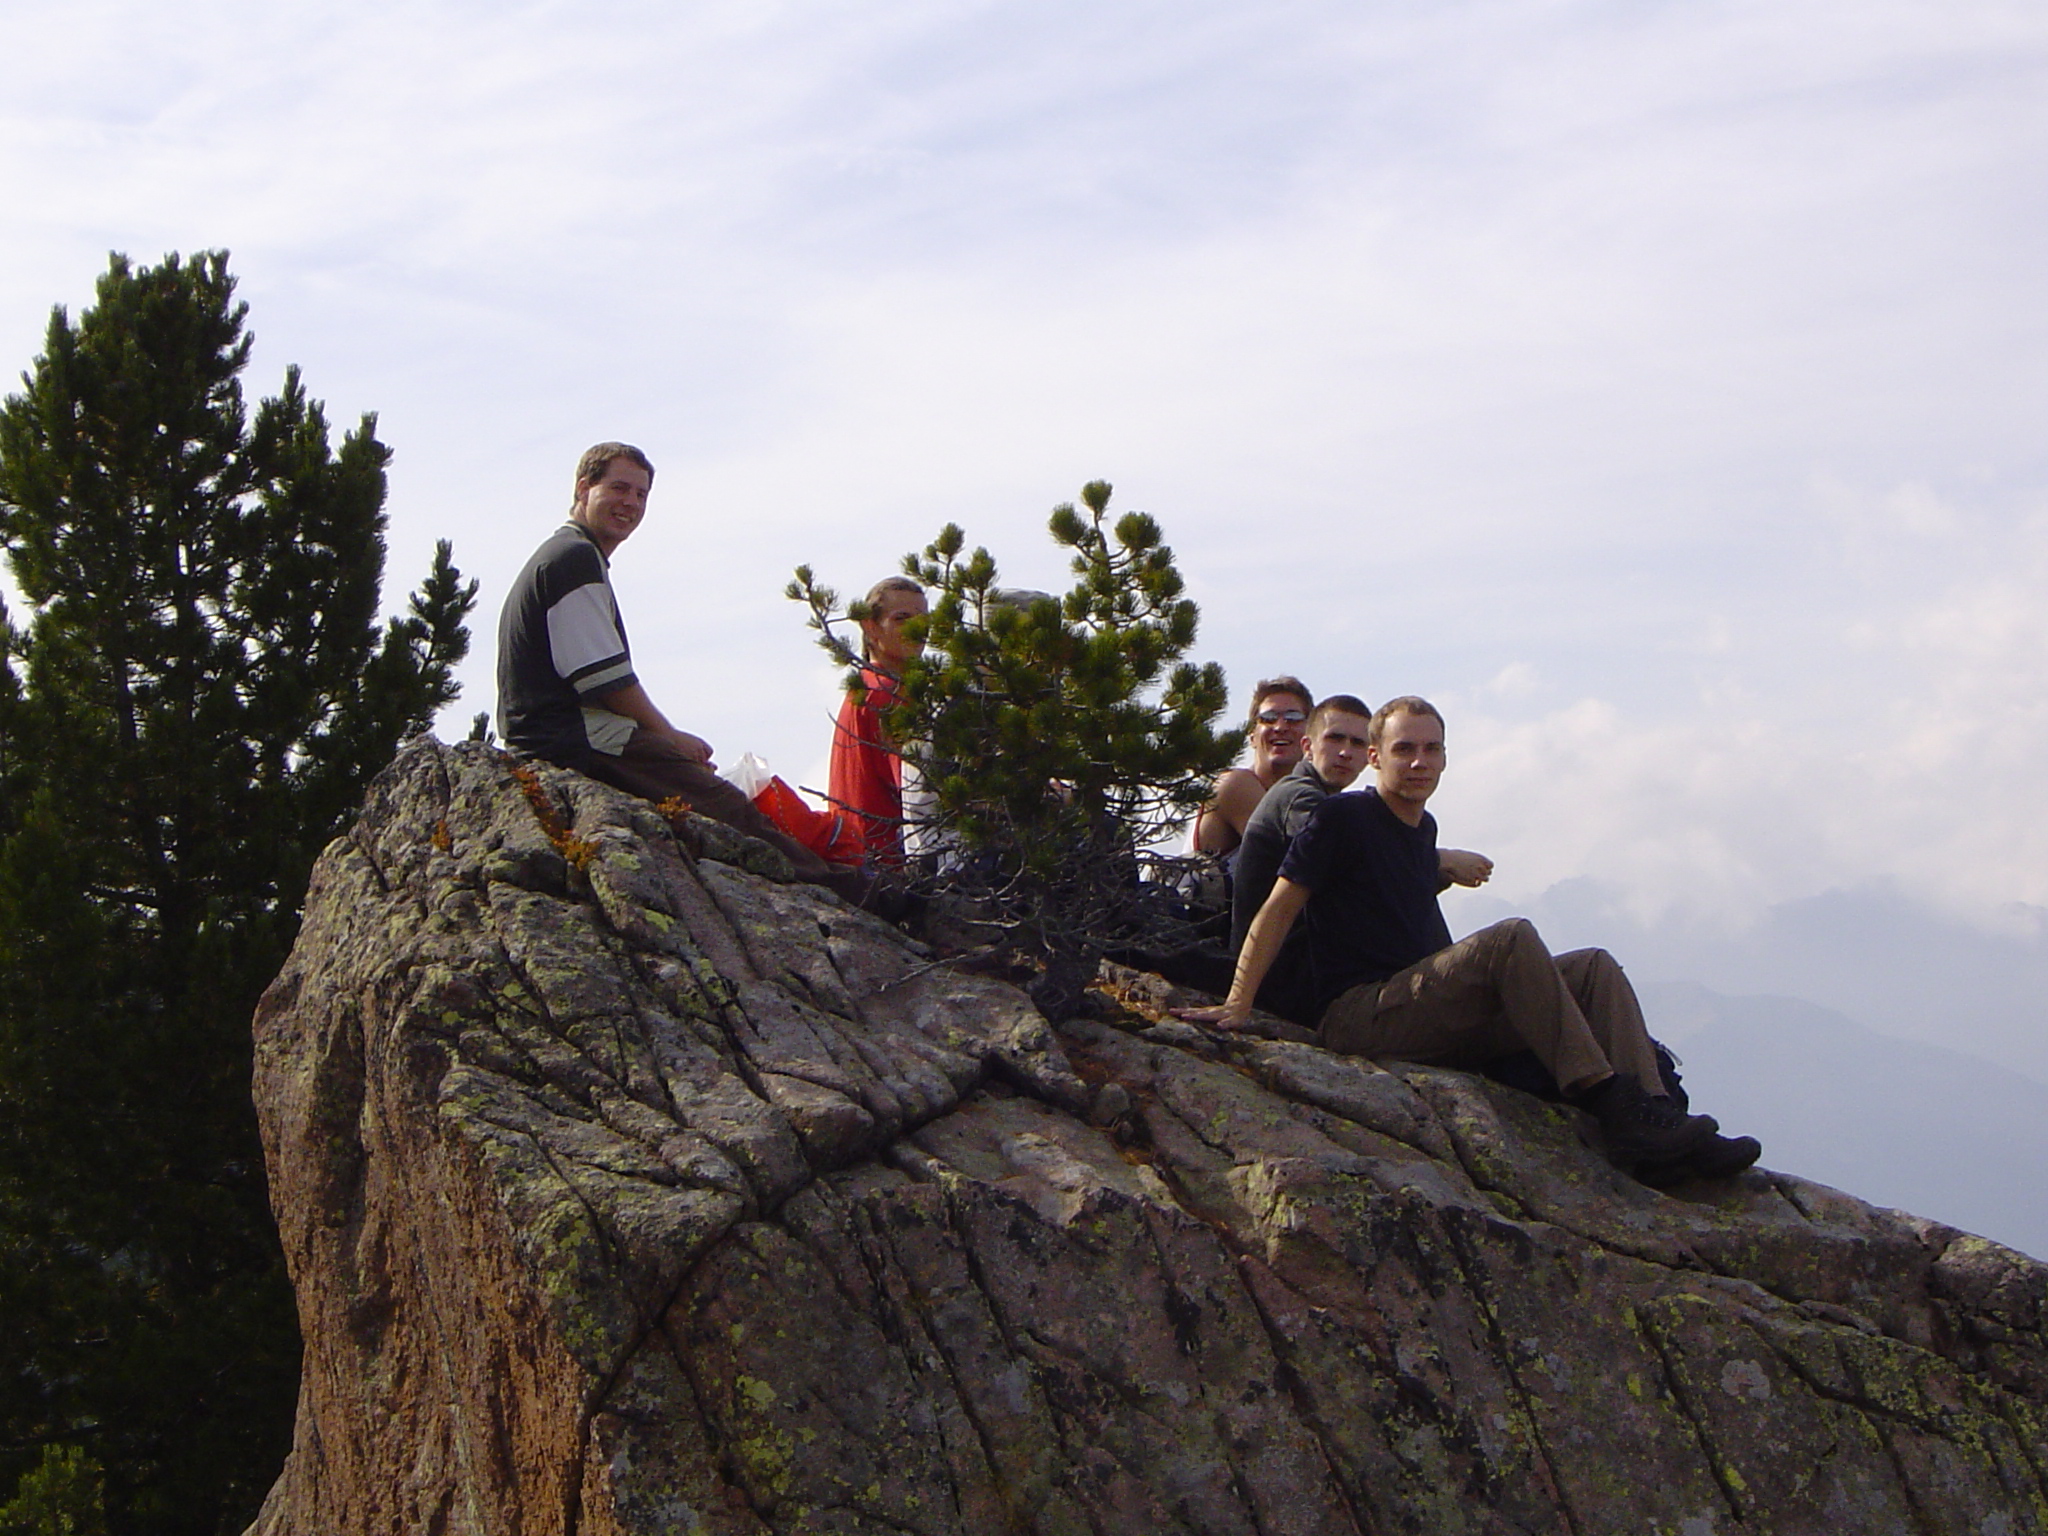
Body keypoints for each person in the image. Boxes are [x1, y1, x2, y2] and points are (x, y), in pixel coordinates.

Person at [1181, 695, 1759, 1183]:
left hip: (1418, 1005)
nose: (1419, 762)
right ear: (1377, 757)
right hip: (1358, 1013)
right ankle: (1607, 1097)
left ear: (1445, 758)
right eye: (1404, 749)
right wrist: (1239, 1001)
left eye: (1431, 749)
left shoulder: (1421, 829)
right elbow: (1277, 909)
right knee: (1509, 939)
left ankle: (1657, 1115)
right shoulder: (1342, 819)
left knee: (1593, 967)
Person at [496, 442, 850, 890]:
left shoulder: (569, 555)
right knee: (722, 805)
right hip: (567, 737)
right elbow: (606, 679)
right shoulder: (573, 559)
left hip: (556, 734)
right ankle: (842, 889)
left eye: (641, 494)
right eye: (619, 488)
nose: (630, 503)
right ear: (583, 488)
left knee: (710, 799)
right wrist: (669, 738)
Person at [1230, 694, 1493, 1021]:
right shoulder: (1304, 798)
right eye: (1335, 739)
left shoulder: (1395, 821)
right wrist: (1441, 859)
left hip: (1325, 967)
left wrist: (1430, 869)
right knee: (1504, 945)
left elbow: (1374, 876)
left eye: (1357, 742)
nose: (1345, 752)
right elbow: (1357, 857)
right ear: (1308, 746)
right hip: (1293, 975)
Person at [828, 577, 928, 866]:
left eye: (924, 620)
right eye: (901, 618)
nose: (917, 629)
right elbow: (920, 788)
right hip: (889, 864)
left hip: (857, 858)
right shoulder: (885, 694)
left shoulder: (862, 689)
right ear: (870, 627)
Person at [1193, 677, 1314, 860]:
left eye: (1293, 718)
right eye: (1268, 718)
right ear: (1252, 736)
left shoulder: (1306, 794)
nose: (1280, 727)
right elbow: (1294, 858)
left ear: (1310, 737)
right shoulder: (1235, 784)